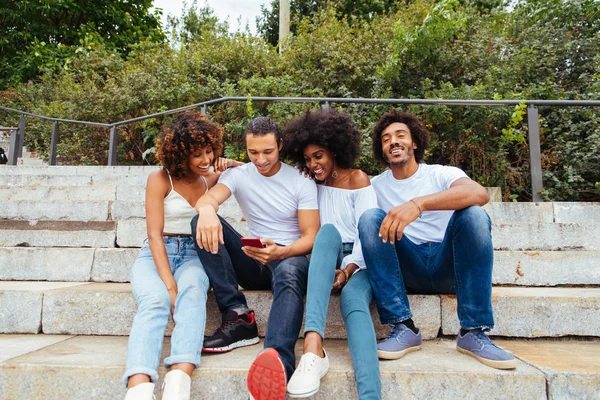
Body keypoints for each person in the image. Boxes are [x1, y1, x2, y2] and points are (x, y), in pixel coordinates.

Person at [358, 109, 516, 370]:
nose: (393, 142)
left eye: (400, 135)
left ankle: (473, 331)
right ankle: (403, 326)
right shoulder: (375, 185)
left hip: (448, 265)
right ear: (381, 149)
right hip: (407, 267)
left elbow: (478, 193)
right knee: (369, 218)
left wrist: (419, 204)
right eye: (386, 139)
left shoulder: (441, 174)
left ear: (415, 142)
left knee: (475, 215)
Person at [191, 117, 320, 400]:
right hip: (253, 259)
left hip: (290, 257)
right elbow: (206, 200)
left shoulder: (301, 180)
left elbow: (311, 236)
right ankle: (238, 315)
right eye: (253, 152)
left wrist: (282, 251)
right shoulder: (239, 175)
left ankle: (277, 361)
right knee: (199, 221)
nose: (260, 160)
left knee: (288, 272)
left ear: (280, 146)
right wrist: (209, 211)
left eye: (267, 152)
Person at [123, 111, 241, 400]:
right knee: (156, 300)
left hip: (193, 254)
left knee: (192, 291)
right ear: (180, 155)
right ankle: (138, 385)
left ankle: (179, 378)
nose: (204, 159)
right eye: (196, 154)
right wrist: (168, 283)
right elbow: (153, 235)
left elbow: (253, 169)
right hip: (156, 254)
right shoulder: (160, 179)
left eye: (209, 151)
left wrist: (229, 163)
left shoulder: (209, 178)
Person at [282, 109, 382, 399]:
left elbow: (368, 232)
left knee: (353, 301)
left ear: (335, 151)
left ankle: (370, 395)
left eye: (319, 156)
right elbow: (272, 172)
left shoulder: (358, 179)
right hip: (327, 254)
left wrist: (348, 270)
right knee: (326, 233)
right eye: (308, 158)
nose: (313, 164)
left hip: (360, 261)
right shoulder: (309, 183)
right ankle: (313, 348)